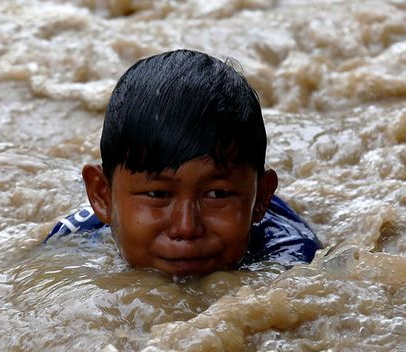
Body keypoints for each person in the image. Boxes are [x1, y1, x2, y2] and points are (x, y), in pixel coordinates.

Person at [45, 49, 320, 277]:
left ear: (260, 199)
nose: (186, 228)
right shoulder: (73, 240)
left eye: (217, 195)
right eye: (158, 194)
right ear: (102, 196)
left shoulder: (292, 262)